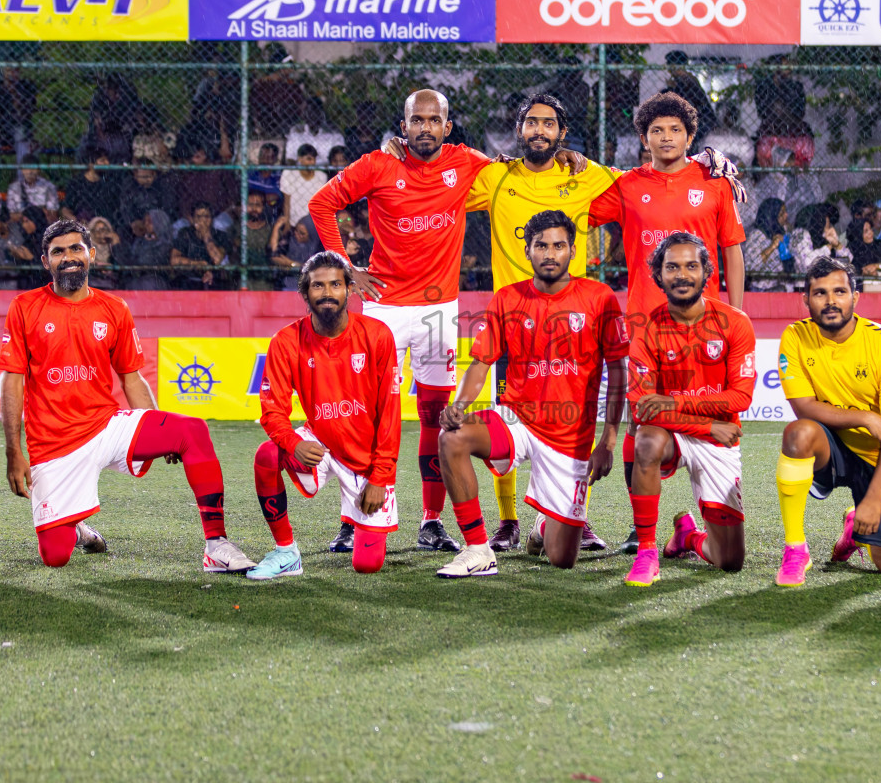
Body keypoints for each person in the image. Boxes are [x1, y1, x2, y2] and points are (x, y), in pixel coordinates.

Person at [0, 218, 254, 571]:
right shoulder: (24, 307)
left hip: (106, 426)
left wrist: (154, 421)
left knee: (191, 430)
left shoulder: (113, 307)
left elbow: (131, 378)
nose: (69, 257)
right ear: (46, 262)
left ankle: (217, 544)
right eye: (58, 252)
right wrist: (14, 450)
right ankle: (75, 529)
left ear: (91, 254)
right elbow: (12, 382)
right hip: (53, 443)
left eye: (76, 249)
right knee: (55, 556)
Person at [308, 89, 494, 555]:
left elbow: (519, 175)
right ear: (404, 125)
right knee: (364, 416)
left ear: (447, 127)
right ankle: (354, 518)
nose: (426, 127)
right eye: (417, 120)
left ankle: (431, 523)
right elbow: (321, 204)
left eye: (435, 120)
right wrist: (347, 269)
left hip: (438, 312)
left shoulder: (466, 162)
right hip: (384, 309)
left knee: (435, 418)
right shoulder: (377, 164)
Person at [586, 92, 747, 553]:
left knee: (712, 417)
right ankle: (644, 532)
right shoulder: (627, 185)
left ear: (690, 137)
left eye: (675, 129)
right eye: (657, 130)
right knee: (643, 432)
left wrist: (733, 313)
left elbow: (732, 249)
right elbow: (579, 210)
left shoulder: (713, 182)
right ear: (644, 138)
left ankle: (706, 518)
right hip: (645, 327)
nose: (666, 137)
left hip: (706, 327)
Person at [434, 210, 629, 578]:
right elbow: (481, 363)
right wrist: (458, 406)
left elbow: (617, 369)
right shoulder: (508, 298)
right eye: (541, 246)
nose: (550, 253)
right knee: (452, 438)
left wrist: (609, 439)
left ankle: (544, 526)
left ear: (574, 250)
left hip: (570, 437)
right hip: (518, 419)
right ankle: (478, 549)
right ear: (528, 252)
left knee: (562, 558)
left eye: (559, 245)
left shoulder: (599, 297)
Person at [248, 251, 401, 579]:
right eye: (318, 286)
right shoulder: (286, 341)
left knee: (367, 565)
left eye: (335, 284)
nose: (327, 292)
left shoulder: (377, 335)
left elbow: (390, 415)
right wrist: (292, 442)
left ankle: (355, 513)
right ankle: (286, 551)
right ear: (305, 293)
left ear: (350, 289)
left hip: (366, 459)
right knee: (266, 455)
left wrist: (380, 477)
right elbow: (272, 411)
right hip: (318, 444)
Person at [624, 233, 757, 586]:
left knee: (729, 561)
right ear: (658, 275)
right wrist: (707, 426)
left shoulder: (735, 322)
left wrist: (674, 401)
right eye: (672, 267)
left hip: (717, 442)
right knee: (646, 441)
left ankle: (688, 538)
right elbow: (641, 408)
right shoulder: (648, 328)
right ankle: (647, 553)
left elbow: (740, 397)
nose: (682, 275)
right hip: (686, 432)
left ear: (706, 272)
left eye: (691, 266)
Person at [775, 257, 881, 586]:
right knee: (798, 434)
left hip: (876, 456)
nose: (830, 301)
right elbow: (804, 408)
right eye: (820, 293)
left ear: (856, 296)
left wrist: (874, 499)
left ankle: (853, 529)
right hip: (830, 447)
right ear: (805, 299)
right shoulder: (795, 337)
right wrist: (866, 417)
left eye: (839, 291)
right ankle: (796, 548)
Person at [0, 66, 36, 191]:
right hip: (1, 128)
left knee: (21, 140)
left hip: (19, 127)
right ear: (3, 72)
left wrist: (14, 93)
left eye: (15, 70)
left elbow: (25, 113)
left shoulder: (25, 88)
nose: (12, 74)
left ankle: (22, 184)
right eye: (9, 70)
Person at [171, 202, 231, 290]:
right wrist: (198, 264)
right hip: (188, 280)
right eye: (198, 217)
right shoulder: (185, 233)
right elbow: (174, 260)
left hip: (214, 280)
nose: (202, 221)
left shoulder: (220, 235)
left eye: (206, 217)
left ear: (212, 219)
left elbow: (217, 259)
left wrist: (206, 234)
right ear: (192, 219)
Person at [743, 196, 795, 291]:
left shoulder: (781, 231)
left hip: (779, 285)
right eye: (781, 213)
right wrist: (772, 247)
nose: (786, 215)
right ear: (772, 216)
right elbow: (752, 266)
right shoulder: (757, 235)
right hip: (760, 288)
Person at [117, 210, 173, 291]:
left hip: (153, 282)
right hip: (135, 280)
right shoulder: (139, 241)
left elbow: (146, 261)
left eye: (150, 222)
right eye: (144, 221)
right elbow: (129, 259)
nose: (145, 224)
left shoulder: (165, 244)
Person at [60, 149, 116, 224]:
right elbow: (65, 210)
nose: (107, 163)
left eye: (107, 160)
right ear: (91, 164)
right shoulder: (77, 183)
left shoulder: (109, 183)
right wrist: (78, 222)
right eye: (102, 160)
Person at [279, 143, 328, 227]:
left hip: (313, 223)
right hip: (293, 222)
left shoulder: (321, 176)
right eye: (309, 159)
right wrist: (287, 223)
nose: (312, 162)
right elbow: (286, 202)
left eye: (314, 159)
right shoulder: (288, 173)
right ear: (300, 159)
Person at [846, 217, 881, 291]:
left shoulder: (880, 246)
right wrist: (863, 272)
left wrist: (877, 266)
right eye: (866, 231)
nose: (871, 233)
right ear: (858, 233)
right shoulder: (850, 250)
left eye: (871, 229)